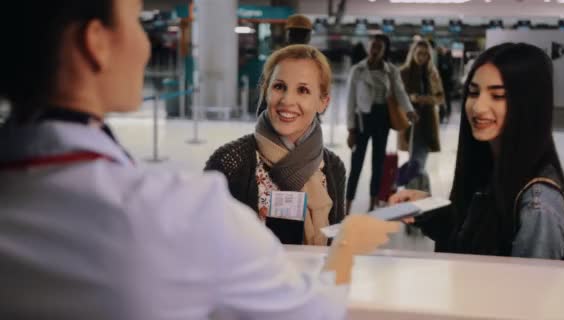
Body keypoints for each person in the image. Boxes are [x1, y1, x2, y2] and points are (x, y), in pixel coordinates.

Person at [0, 1, 401, 319]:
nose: (145, 44)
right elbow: (315, 311)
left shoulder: (331, 166)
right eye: (138, 20)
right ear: (96, 43)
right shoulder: (183, 214)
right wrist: (347, 246)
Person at [389, 43, 564, 260]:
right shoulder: (490, 167)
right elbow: (469, 244)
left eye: (497, 96)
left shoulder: (538, 206)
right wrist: (428, 208)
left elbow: (525, 291)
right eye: (473, 92)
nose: (478, 107)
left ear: (528, 105)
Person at [206, 45, 346, 246]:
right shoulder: (229, 162)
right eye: (279, 86)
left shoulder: (333, 168)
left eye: (303, 90)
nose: (287, 100)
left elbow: (334, 245)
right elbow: (205, 244)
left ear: (323, 102)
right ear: (266, 90)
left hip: (310, 276)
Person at [346, 35, 417, 214]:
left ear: (384, 50)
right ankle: (347, 204)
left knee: (378, 163)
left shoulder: (390, 70)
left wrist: (409, 110)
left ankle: (373, 203)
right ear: (369, 47)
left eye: (380, 47)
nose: (375, 49)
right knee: (356, 164)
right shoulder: (358, 70)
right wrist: (351, 129)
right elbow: (350, 101)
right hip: (363, 120)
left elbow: (400, 92)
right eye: (373, 46)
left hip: (382, 119)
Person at [398, 40, 444, 193]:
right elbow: (398, 97)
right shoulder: (404, 72)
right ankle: (419, 196)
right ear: (413, 53)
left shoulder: (432, 73)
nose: (422, 57)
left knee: (418, 163)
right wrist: (412, 98)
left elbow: (440, 98)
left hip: (427, 124)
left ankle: (417, 196)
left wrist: (425, 99)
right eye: (419, 53)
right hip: (410, 124)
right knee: (416, 163)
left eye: (425, 54)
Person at [436, 46, 454, 123]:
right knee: (443, 99)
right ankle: (443, 115)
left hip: (445, 83)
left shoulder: (446, 59)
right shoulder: (441, 59)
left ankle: (445, 114)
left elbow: (448, 71)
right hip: (443, 83)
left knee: (445, 99)